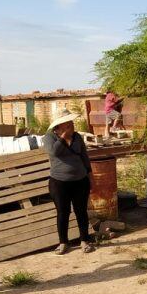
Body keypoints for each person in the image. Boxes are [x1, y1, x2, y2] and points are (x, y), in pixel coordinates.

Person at [43, 109, 96, 255]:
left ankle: (84, 240)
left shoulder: (77, 137)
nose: (72, 125)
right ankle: (63, 243)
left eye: (71, 123)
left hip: (80, 180)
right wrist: (63, 137)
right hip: (59, 182)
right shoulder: (49, 138)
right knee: (62, 212)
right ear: (59, 126)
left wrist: (90, 176)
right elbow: (54, 152)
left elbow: (84, 156)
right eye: (68, 123)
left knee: (81, 211)